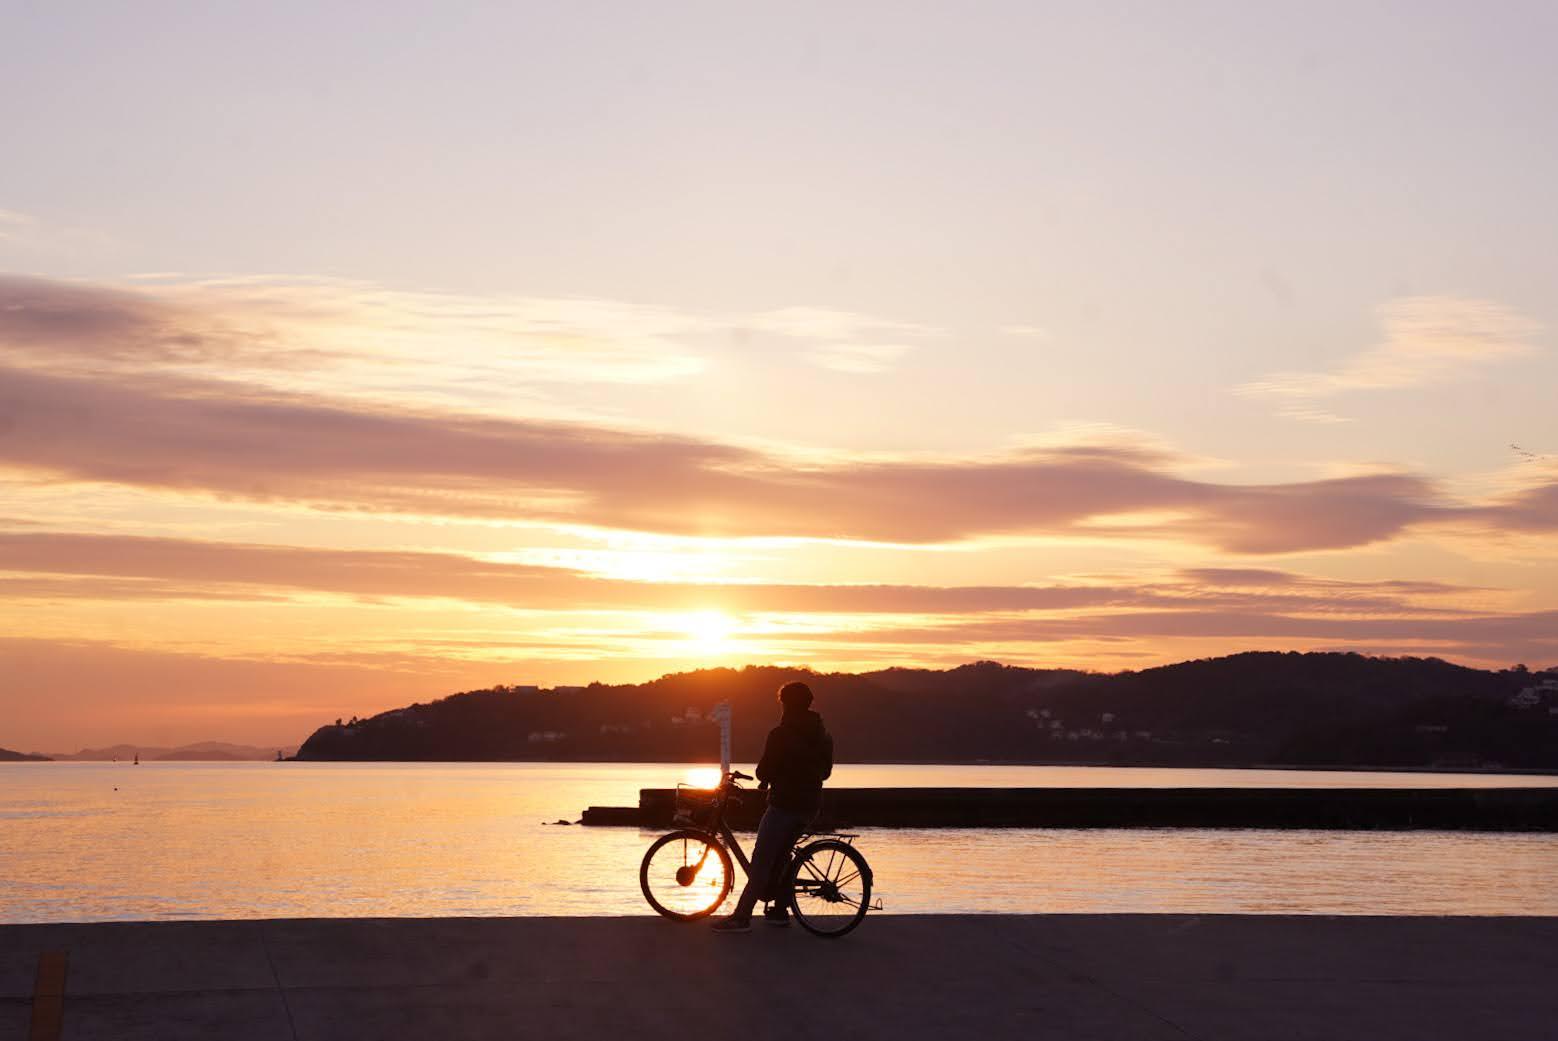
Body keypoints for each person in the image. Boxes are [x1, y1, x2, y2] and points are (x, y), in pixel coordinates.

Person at [712, 681, 833, 932]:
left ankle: (741, 916)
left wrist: (773, 778)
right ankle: (779, 910)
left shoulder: (780, 734)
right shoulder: (823, 734)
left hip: (784, 805)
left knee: (762, 860)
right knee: (782, 854)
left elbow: (763, 771)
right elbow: (825, 773)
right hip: (810, 805)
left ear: (786, 704)